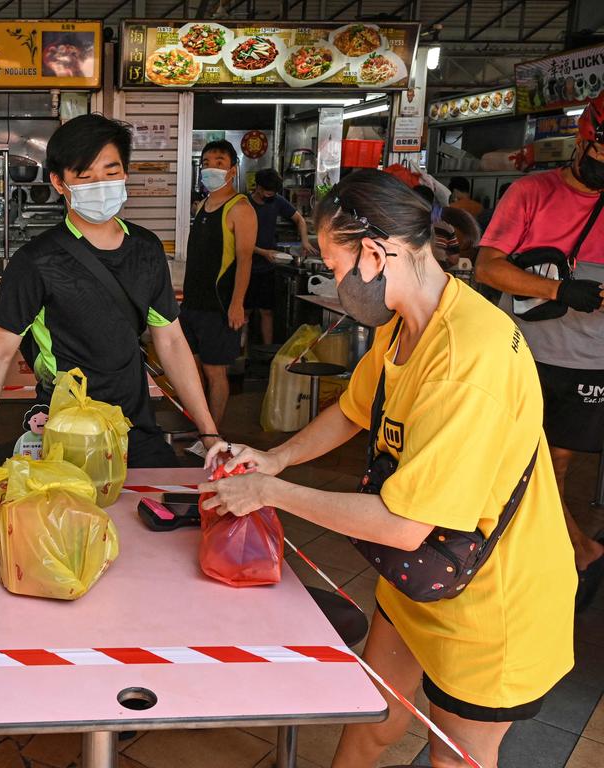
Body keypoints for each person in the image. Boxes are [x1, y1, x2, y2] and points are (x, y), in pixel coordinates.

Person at [201, 169, 575, 768]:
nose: (334, 281)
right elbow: (354, 411)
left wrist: (271, 490)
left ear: (374, 255)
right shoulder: (408, 324)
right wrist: (276, 457)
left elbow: (402, 525)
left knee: (456, 755)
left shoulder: (466, 362)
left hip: (489, 604)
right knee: (374, 717)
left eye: (335, 266)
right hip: (421, 582)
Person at [0, 114, 221, 484]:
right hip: (64, 430)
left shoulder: (146, 249)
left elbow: (171, 340)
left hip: (135, 426)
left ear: (125, 173)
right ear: (59, 182)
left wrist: (209, 432)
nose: (101, 184)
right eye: (85, 176)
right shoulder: (36, 261)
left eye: (111, 171)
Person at [475, 94, 604, 612]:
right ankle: (572, 548)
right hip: (523, 351)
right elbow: (487, 268)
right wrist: (558, 291)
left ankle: (568, 549)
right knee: (526, 455)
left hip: (589, 361)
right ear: (585, 138)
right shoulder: (532, 192)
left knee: (560, 458)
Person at [180, 140, 256, 439]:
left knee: (215, 372)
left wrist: (237, 304)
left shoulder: (240, 208)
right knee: (192, 370)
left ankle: (212, 436)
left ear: (232, 170)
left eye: (220, 162)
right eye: (207, 161)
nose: (211, 167)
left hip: (220, 307)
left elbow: (245, 260)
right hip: (193, 305)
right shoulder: (203, 205)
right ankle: (201, 426)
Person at [246, 169, 316, 345]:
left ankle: (268, 354)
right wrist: (263, 252)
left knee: (267, 312)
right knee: (244, 312)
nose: (270, 196)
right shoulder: (244, 203)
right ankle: (242, 353)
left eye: (273, 193)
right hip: (245, 267)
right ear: (258, 187)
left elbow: (299, 220)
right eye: (268, 192)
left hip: (267, 268)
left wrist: (305, 241)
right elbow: (238, 241)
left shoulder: (276, 201)